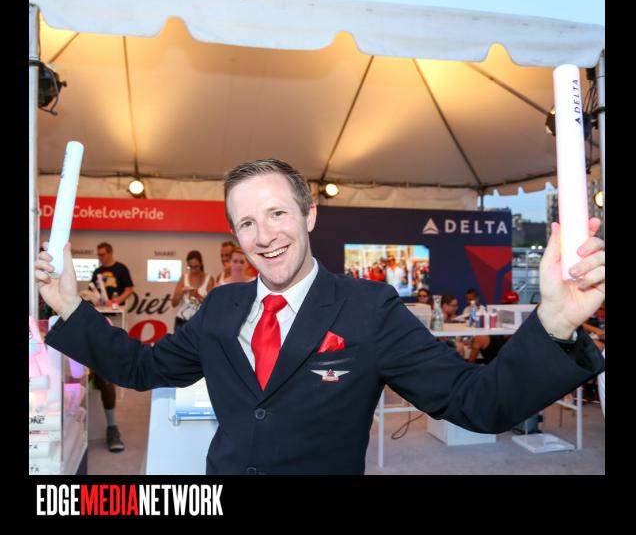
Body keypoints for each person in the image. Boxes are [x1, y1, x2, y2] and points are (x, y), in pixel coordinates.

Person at [36, 158, 605, 475]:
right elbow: (141, 368)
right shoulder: (221, 307)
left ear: (308, 216)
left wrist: (553, 325)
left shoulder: (369, 308)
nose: (265, 236)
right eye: (247, 223)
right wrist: (68, 306)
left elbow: (476, 402)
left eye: (277, 214)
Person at [89, 242, 134, 453]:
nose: (100, 258)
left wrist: (117, 302)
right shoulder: (97, 271)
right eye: (98, 255)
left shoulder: (120, 268)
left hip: (115, 315)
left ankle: (112, 427)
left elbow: (129, 289)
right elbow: (92, 291)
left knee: (108, 370)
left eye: (103, 254)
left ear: (110, 252)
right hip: (98, 317)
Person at [171, 250, 215, 330]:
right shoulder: (184, 278)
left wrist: (198, 296)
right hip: (182, 321)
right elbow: (174, 303)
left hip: (200, 322)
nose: (193, 270)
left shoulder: (209, 279)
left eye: (196, 267)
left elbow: (211, 306)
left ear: (201, 264)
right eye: (190, 267)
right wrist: (181, 292)